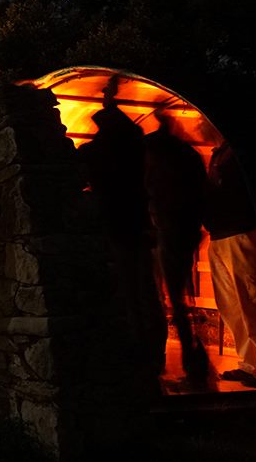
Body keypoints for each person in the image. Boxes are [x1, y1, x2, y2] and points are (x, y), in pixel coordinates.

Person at [79, 100, 167, 378]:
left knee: (125, 293)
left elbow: (77, 177)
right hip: (138, 229)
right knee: (145, 292)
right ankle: (153, 355)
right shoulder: (138, 150)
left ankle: (134, 353)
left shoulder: (98, 152)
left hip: (113, 229)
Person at [204, 144, 256, 387]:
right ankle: (251, 363)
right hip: (221, 235)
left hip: (242, 232)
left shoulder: (240, 151)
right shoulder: (220, 153)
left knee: (254, 303)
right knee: (232, 306)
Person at [144, 112, 209, 383]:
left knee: (164, 297)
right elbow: (201, 192)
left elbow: (151, 192)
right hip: (186, 231)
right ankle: (193, 360)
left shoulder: (156, 159)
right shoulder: (190, 156)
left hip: (167, 232)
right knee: (179, 297)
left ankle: (174, 361)